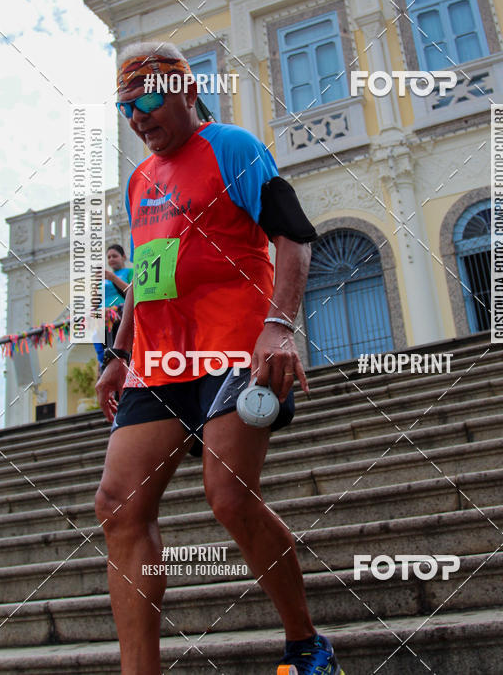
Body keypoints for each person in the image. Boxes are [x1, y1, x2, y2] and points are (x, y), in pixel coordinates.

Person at [95, 41, 345, 675]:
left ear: (185, 90)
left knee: (228, 494)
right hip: (159, 360)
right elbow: (147, 277)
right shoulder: (139, 180)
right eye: (125, 106)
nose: (137, 117)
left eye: (147, 99)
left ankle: (306, 645)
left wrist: (281, 327)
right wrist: (120, 354)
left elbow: (293, 235)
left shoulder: (232, 146)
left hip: (239, 349)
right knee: (117, 504)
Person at [93, 244, 133, 370]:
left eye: (115, 256)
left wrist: (113, 278)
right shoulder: (103, 279)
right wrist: (95, 284)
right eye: (109, 257)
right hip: (103, 321)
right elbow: (94, 303)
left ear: (124, 257)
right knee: (105, 353)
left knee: (119, 349)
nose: (111, 259)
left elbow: (130, 291)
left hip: (119, 317)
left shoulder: (129, 272)